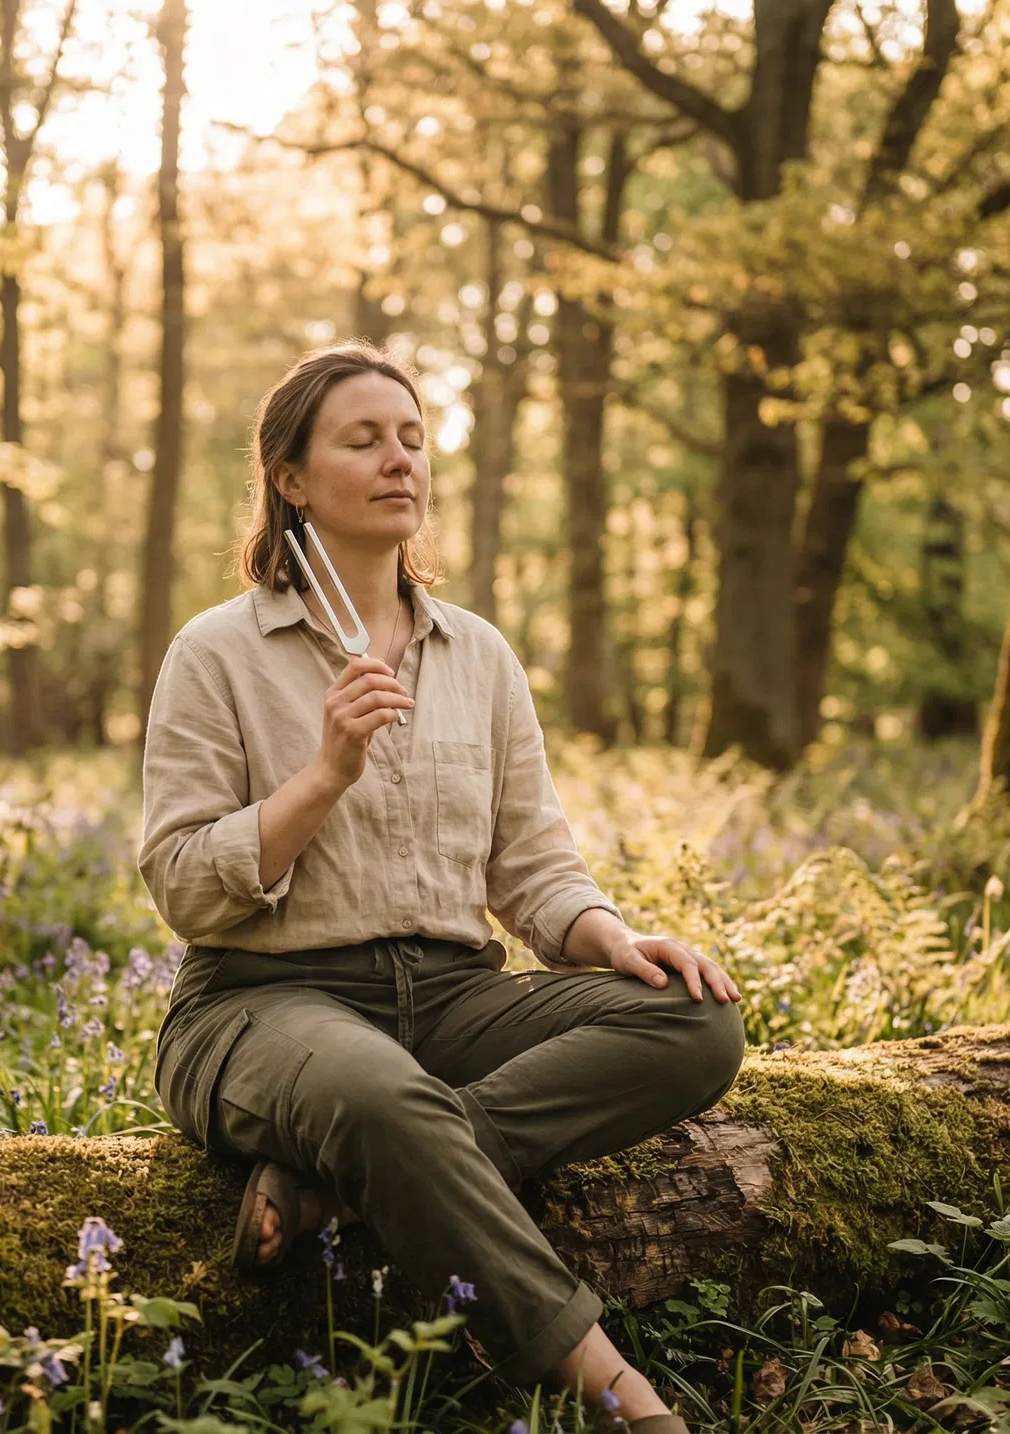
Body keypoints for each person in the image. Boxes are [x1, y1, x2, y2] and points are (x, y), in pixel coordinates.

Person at [138, 342, 746, 1434]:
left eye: (412, 437)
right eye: (363, 440)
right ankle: (622, 1397)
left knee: (695, 1025)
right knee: (378, 1094)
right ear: (289, 476)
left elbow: (534, 866)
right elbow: (183, 886)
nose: (398, 460)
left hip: (454, 998)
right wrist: (323, 773)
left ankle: (363, 1177)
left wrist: (613, 938)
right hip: (264, 1000)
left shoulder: (479, 656)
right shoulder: (217, 652)